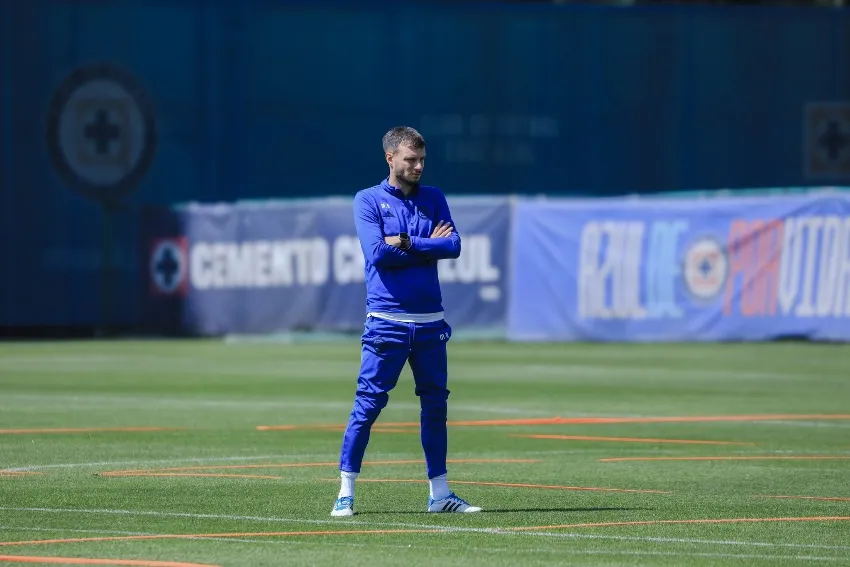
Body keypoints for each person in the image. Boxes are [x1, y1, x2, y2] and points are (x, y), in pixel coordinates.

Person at [331, 126, 482, 517]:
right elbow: (378, 254)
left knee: (435, 407)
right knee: (368, 405)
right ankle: (345, 491)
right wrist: (426, 245)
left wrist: (411, 242)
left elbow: (454, 245)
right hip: (387, 321)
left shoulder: (434, 198)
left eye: (422, 160)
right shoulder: (367, 199)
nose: (417, 166)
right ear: (390, 159)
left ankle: (441, 494)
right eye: (410, 159)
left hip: (432, 323)